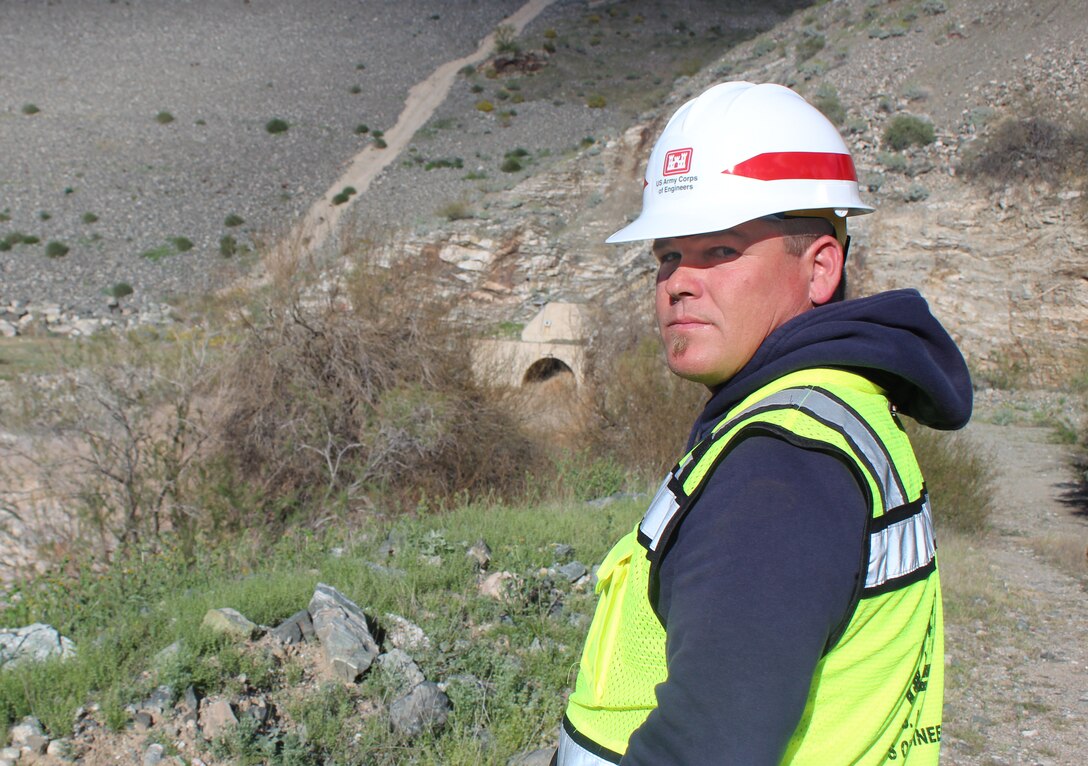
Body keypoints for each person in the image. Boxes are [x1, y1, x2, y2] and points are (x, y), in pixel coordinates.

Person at [553, 82, 972, 765]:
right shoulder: (831, 410)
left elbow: (705, 749)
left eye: (720, 250)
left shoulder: (782, 466)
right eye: (667, 255)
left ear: (820, 268)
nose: (678, 282)